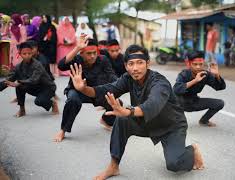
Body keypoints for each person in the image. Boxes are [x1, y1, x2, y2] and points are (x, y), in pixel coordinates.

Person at [69, 44, 205, 179]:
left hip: (171, 126)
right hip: (147, 122)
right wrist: (83, 89)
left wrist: (128, 111)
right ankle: (113, 166)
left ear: (147, 63)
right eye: (131, 63)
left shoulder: (159, 82)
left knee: (174, 164)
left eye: (140, 63)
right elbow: (106, 89)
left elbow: (153, 104)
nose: (135, 68)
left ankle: (192, 150)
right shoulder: (127, 78)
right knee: (121, 120)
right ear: (126, 66)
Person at [53, 36, 118, 142]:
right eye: (88, 53)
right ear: (81, 53)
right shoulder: (76, 59)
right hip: (78, 91)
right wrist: (77, 48)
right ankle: (63, 130)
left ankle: (106, 120)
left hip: (96, 91)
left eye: (94, 52)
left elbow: (112, 76)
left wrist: (120, 86)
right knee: (72, 99)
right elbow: (61, 66)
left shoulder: (103, 59)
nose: (92, 56)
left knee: (116, 101)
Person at [0, 42, 59, 117]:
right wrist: (9, 75)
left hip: (47, 87)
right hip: (34, 86)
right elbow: (9, 80)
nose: (27, 56)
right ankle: (22, 110)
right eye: (24, 54)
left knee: (38, 101)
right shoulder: (18, 66)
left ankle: (53, 103)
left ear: (32, 53)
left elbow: (34, 80)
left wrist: (19, 83)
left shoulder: (38, 64)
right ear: (20, 54)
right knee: (19, 86)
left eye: (29, 53)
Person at [173, 51, 226, 127]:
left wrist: (217, 75)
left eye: (200, 64)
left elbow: (219, 87)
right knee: (180, 125)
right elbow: (176, 89)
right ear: (189, 64)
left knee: (219, 103)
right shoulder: (184, 74)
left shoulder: (205, 74)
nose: (198, 67)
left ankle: (204, 121)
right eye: (195, 64)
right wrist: (195, 80)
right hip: (179, 104)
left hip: (194, 102)